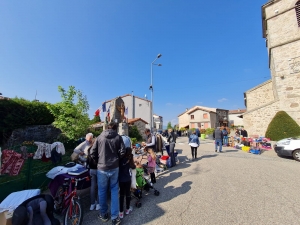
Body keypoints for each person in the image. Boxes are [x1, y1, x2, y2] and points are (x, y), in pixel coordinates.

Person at [91, 122, 126, 225]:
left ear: (106, 128)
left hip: (102, 167)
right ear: (115, 128)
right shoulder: (118, 137)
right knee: (114, 190)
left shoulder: (99, 137)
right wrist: (117, 159)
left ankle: (104, 214)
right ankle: (114, 217)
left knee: (102, 191)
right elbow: (123, 151)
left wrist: (98, 161)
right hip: (114, 167)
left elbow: (92, 152)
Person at [119, 147, 136, 219]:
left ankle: (121, 212)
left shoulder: (120, 158)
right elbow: (133, 167)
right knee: (128, 193)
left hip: (120, 179)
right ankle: (127, 209)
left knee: (121, 195)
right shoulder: (129, 158)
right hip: (127, 178)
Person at [86, 139, 100, 211]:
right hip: (98, 169)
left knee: (92, 186)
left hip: (91, 169)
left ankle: (92, 204)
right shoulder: (98, 149)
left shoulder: (89, 149)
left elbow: (87, 159)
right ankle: (98, 203)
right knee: (99, 186)